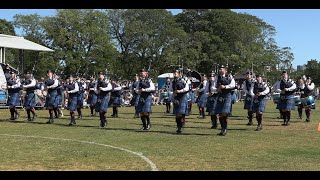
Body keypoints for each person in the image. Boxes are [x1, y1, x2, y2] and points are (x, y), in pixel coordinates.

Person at [212, 65, 235, 136]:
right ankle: (222, 129)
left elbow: (233, 85)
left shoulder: (229, 76)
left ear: (225, 70)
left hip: (227, 95)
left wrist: (225, 87)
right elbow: (212, 87)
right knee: (220, 114)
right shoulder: (216, 77)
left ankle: (225, 128)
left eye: (222, 69)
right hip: (220, 95)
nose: (220, 71)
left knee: (224, 112)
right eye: (219, 69)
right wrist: (216, 89)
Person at [169, 69, 190, 134]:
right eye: (174, 73)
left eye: (175, 73)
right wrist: (172, 94)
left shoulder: (184, 80)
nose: (174, 74)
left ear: (179, 74)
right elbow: (170, 90)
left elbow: (187, 88)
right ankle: (179, 128)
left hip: (183, 97)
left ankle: (180, 127)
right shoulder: (173, 82)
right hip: (176, 98)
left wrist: (180, 91)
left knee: (181, 113)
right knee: (177, 114)